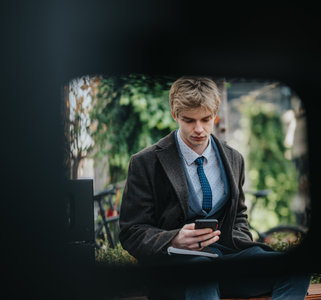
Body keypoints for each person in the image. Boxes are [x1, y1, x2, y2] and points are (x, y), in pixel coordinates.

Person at [119, 76, 311, 299]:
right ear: (175, 115)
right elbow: (131, 231)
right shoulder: (145, 162)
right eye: (189, 120)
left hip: (229, 263)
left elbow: (239, 215)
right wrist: (173, 239)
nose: (199, 129)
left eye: (206, 119)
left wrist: (235, 239)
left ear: (215, 114)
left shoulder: (234, 158)